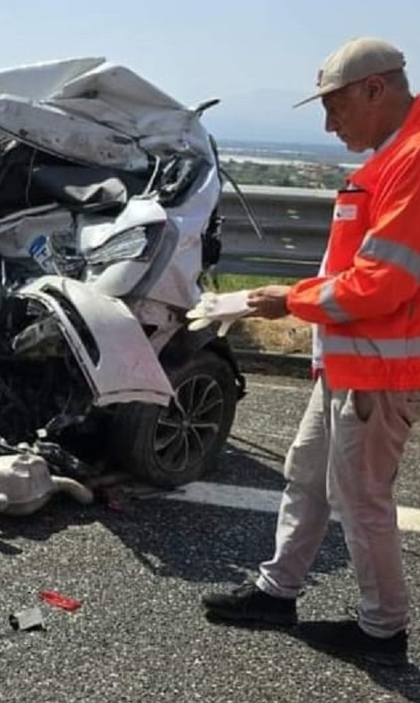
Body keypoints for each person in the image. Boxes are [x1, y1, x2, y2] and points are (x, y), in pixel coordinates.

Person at [202, 36, 420, 667]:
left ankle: (384, 630)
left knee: (361, 499)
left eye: (336, 106)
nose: (329, 124)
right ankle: (278, 590)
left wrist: (289, 300)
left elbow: (385, 282)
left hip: (376, 374)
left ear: (375, 89)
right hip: (347, 365)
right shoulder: (391, 156)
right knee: (306, 477)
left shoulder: (411, 160)